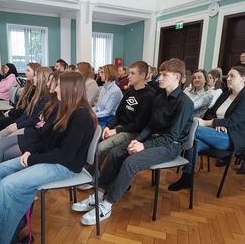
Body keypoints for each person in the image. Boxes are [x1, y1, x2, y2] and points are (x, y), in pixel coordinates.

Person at [0, 71, 97, 243]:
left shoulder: (81, 116)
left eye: (58, 86)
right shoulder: (63, 108)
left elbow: (66, 155)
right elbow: (45, 136)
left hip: (66, 167)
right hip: (51, 158)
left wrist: (32, 159)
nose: (55, 89)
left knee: (8, 185)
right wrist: (31, 151)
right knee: (0, 170)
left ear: (71, 89)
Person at [72, 58, 194, 225]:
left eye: (165, 75)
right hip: (154, 140)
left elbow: (172, 137)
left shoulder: (185, 103)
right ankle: (99, 194)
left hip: (170, 146)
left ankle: (107, 205)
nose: (159, 78)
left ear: (178, 78)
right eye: (160, 74)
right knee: (116, 153)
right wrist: (138, 140)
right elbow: (150, 126)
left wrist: (143, 145)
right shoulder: (159, 99)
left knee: (131, 162)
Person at [0, 70, 61, 207]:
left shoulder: (55, 102)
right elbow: (33, 118)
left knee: (2, 153)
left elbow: (44, 129)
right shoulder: (49, 98)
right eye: (49, 80)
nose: (49, 83)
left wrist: (37, 123)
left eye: (52, 81)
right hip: (33, 134)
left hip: (36, 139)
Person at [78, 61, 155, 190]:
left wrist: (117, 130)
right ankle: (90, 171)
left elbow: (139, 124)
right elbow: (117, 114)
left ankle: (91, 178)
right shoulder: (130, 92)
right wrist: (109, 126)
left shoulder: (149, 95)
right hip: (119, 128)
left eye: (132, 73)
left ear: (142, 75)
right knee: (92, 137)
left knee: (101, 148)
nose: (128, 76)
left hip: (131, 132)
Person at [168, 66, 245, 190]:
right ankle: (186, 178)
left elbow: (233, 121)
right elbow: (210, 112)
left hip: (231, 137)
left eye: (232, 76)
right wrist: (217, 123)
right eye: (228, 75)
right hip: (215, 131)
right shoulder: (225, 95)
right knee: (194, 141)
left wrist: (208, 123)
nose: (228, 78)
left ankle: (169, 149)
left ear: (243, 79)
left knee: (194, 129)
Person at [0, 63, 40, 143]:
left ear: (36, 74)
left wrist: (11, 113)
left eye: (28, 70)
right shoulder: (29, 86)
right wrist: (12, 111)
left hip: (23, 117)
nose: (25, 72)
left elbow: (26, 110)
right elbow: (22, 106)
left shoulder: (36, 90)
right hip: (22, 114)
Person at [0, 66, 52, 138]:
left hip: (33, 128)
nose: (34, 77)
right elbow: (27, 112)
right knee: (2, 132)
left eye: (35, 75)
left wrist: (17, 126)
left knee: (1, 134)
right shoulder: (38, 94)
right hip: (27, 123)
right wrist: (16, 123)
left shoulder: (46, 97)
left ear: (42, 78)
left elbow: (35, 119)